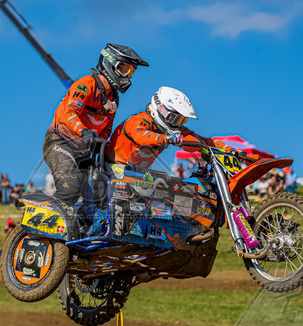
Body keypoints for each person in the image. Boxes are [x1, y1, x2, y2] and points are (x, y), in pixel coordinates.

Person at [43, 44, 148, 206]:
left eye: (131, 72)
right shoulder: (86, 84)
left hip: (84, 151)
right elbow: (69, 113)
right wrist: (84, 131)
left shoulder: (113, 99)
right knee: (70, 189)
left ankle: (81, 221)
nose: (127, 76)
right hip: (59, 142)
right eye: (124, 69)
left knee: (96, 198)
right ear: (109, 64)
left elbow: (107, 128)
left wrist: (101, 144)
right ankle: (45, 215)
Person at [105, 86, 237, 171]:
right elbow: (141, 135)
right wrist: (167, 139)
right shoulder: (140, 120)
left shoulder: (176, 131)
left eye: (182, 120)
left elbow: (205, 141)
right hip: (111, 168)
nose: (178, 124)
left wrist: (230, 150)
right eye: (176, 119)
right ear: (161, 110)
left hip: (138, 174)